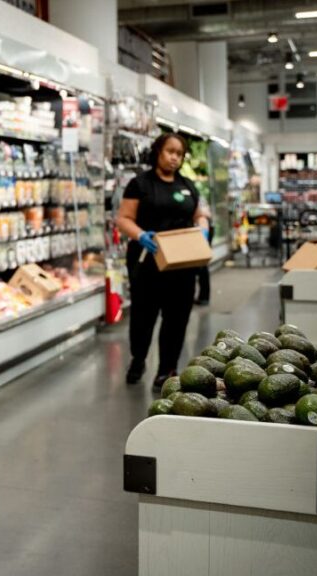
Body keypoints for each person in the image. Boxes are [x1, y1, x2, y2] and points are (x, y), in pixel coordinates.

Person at [115, 132, 209, 392]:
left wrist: (203, 227)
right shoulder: (140, 184)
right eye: (170, 151)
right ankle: (138, 358)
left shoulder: (188, 185)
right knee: (144, 316)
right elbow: (124, 219)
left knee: (177, 318)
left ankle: (167, 368)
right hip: (148, 262)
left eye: (179, 154)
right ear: (158, 152)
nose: (174, 158)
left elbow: (199, 215)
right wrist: (140, 235)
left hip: (182, 265)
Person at [195, 196, 212, 306]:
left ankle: (204, 297)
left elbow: (206, 214)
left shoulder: (195, 196)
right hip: (192, 232)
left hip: (200, 232)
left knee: (202, 265)